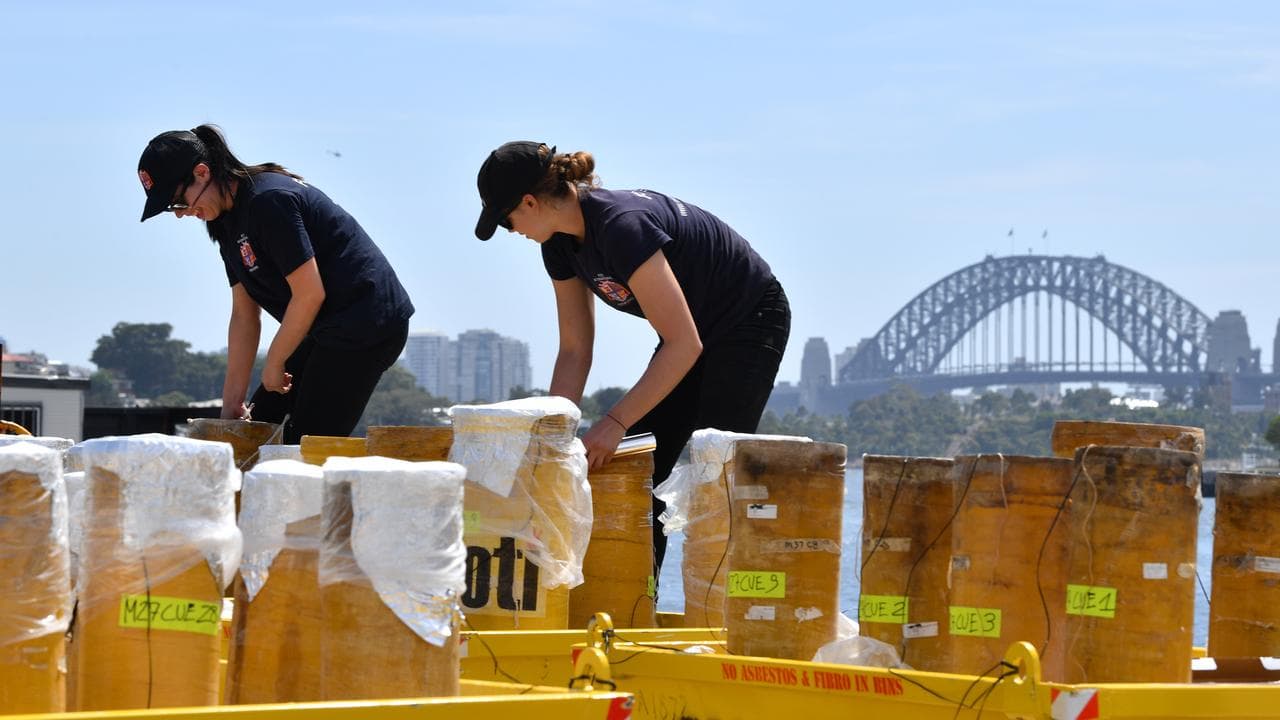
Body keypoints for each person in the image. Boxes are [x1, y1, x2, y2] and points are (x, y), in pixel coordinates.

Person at [474, 141, 790, 570]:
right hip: (686, 334)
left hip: (749, 318)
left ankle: (725, 615)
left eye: (506, 220)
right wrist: (550, 438)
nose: (512, 231)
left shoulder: (622, 226)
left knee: (716, 470)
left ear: (529, 202)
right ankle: (639, 608)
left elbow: (684, 345)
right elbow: (574, 350)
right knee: (637, 472)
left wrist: (614, 422)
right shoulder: (558, 246)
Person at [138, 125, 414, 444]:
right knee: (254, 427)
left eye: (177, 202)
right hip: (323, 327)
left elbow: (309, 293)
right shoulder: (224, 223)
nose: (181, 214)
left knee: (305, 442)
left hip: (367, 320)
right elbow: (244, 315)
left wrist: (275, 361)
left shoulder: (269, 201)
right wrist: (231, 408)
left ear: (201, 173)